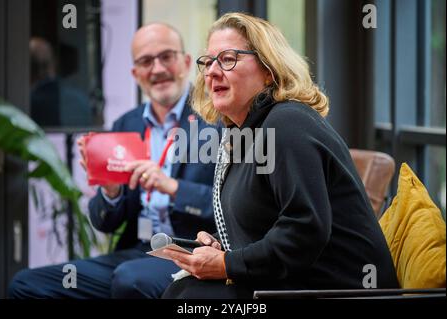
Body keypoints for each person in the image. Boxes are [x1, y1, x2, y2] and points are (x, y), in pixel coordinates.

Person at [161, 13, 399, 299]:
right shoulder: (245, 133)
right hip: (289, 281)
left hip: (338, 292)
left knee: (187, 297)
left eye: (227, 59)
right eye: (208, 62)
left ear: (269, 69)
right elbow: (267, 223)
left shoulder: (287, 122)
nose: (211, 72)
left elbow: (304, 229)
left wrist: (228, 263)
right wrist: (223, 247)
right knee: (182, 291)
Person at [9, 23, 217, 298]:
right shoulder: (126, 124)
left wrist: (173, 187)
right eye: (145, 61)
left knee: (129, 279)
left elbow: (232, 205)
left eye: (166, 56)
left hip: (192, 253)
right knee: (26, 284)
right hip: (137, 251)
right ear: (135, 73)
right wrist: (110, 191)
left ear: (186, 62)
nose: (157, 69)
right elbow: (104, 221)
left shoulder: (215, 119)